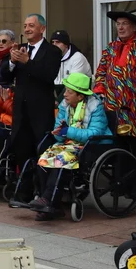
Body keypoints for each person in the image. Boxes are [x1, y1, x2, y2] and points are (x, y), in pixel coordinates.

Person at [27, 72, 109, 221]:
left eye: (69, 92)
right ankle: (50, 204)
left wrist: (67, 131)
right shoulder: (65, 106)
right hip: (68, 144)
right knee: (44, 159)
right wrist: (59, 133)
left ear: (80, 96)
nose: (64, 94)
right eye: (66, 90)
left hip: (92, 146)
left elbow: (95, 133)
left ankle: (48, 201)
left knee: (61, 160)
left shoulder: (95, 107)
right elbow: (59, 133)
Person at [93, 10, 136, 189]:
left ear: (134, 27)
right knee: (117, 148)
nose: (120, 27)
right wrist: (100, 92)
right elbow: (101, 72)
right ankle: (120, 185)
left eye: (124, 24)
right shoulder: (111, 48)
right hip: (112, 108)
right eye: (118, 24)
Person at [0, 14, 62, 204]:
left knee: (42, 151)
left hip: (40, 111)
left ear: (42, 29)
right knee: (22, 151)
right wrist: (12, 62)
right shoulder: (21, 49)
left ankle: (44, 196)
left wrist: (28, 62)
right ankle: (24, 193)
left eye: (31, 26)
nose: (27, 29)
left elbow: (48, 75)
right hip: (21, 111)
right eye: (25, 26)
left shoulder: (52, 51)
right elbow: (4, 77)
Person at [50, 30, 91, 101]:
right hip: (61, 96)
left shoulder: (78, 58)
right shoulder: (52, 58)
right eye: (52, 42)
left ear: (66, 45)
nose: (54, 45)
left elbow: (73, 84)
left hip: (78, 98)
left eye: (58, 42)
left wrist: (58, 102)